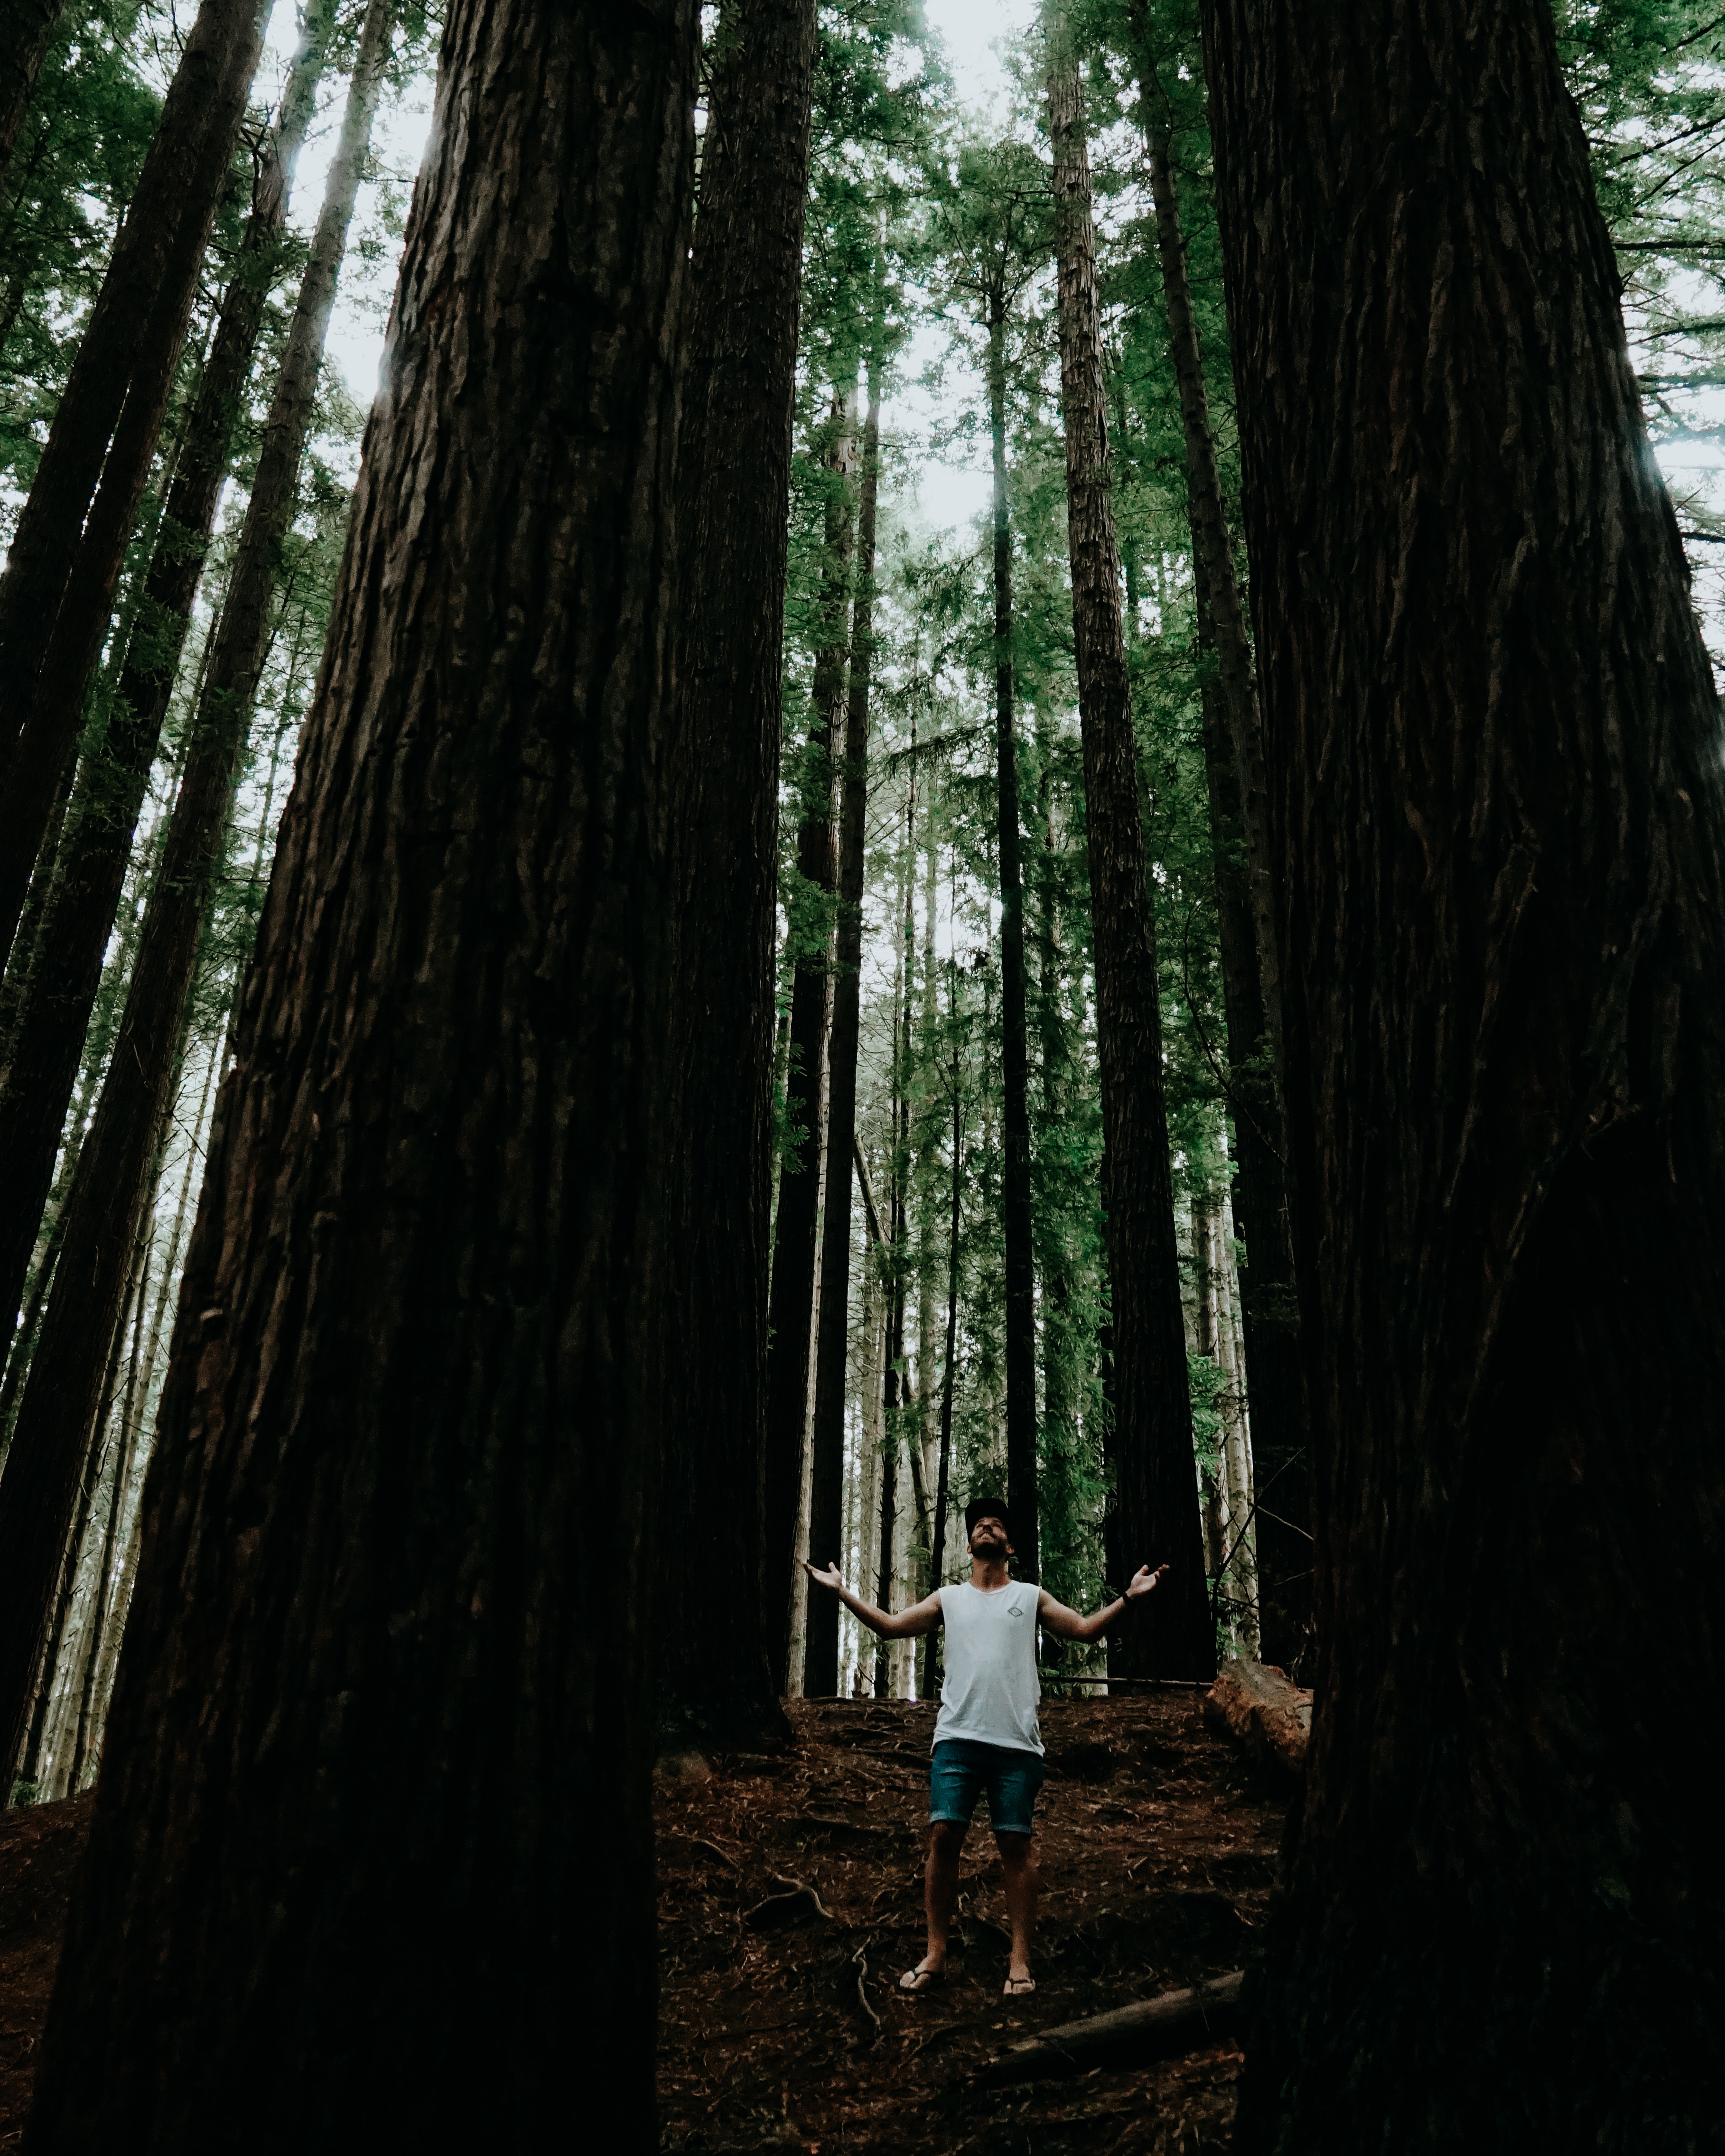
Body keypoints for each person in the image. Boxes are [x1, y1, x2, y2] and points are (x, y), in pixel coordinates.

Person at [802, 1498, 1168, 1999]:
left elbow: (1083, 1629)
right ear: (969, 1543)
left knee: (1015, 1845)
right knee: (944, 1835)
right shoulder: (948, 1598)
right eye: (978, 1524)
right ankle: (934, 1954)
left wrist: (1128, 1598)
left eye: (995, 1522)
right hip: (956, 1738)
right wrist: (842, 1591)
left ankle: (1019, 1960)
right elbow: (889, 1626)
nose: (985, 1526)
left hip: (1016, 1743)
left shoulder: (1030, 1595)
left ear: (1009, 1544)